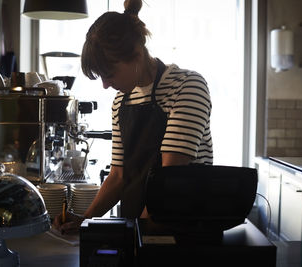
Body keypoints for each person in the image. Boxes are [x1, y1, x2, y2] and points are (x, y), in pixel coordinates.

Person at [53, 0, 213, 235]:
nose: (106, 85)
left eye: (109, 74)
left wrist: (140, 236)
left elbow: (170, 178)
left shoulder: (186, 86)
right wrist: (85, 221)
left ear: (137, 55)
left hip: (182, 230)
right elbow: (119, 176)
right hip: (138, 226)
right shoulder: (121, 102)